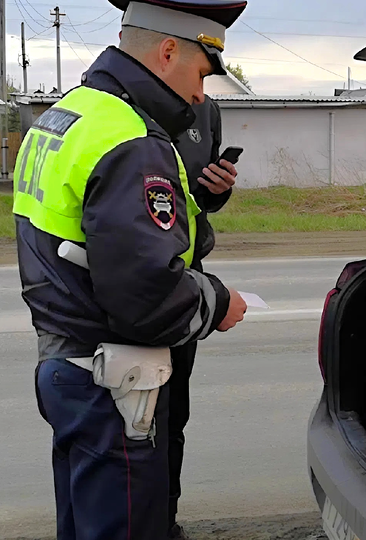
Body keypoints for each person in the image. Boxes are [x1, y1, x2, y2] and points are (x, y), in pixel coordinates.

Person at [12, 0, 249, 538]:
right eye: (200, 74)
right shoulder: (130, 138)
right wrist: (217, 302)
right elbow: (147, 297)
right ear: (168, 52)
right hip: (113, 378)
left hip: (64, 361)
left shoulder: (70, 112)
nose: (200, 94)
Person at [164, 97, 235, 539]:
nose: (201, 90)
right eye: (200, 71)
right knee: (133, 426)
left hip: (186, 276)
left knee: (173, 417)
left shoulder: (207, 112)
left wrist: (217, 190)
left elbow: (198, 201)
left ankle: (164, 520)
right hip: (139, 278)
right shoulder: (118, 111)